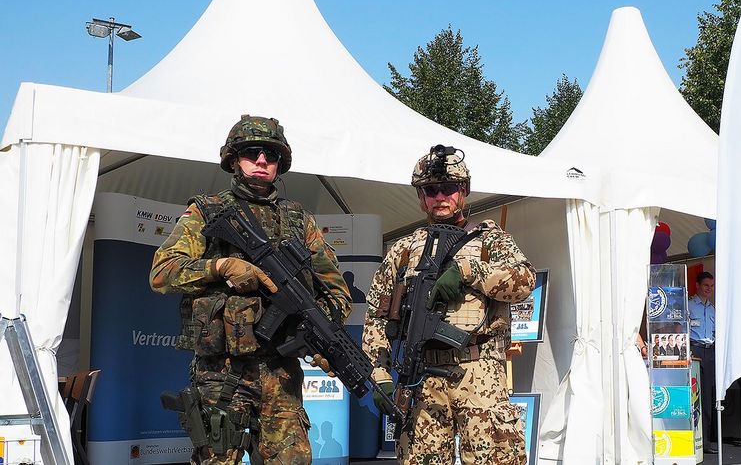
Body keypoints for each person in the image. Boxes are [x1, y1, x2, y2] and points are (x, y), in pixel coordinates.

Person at [150, 115, 351, 464]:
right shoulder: (206, 212)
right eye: (252, 152)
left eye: (270, 156)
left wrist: (316, 334)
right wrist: (219, 266)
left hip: (280, 372)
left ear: (280, 164)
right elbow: (162, 273)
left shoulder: (299, 220)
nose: (261, 161)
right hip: (220, 371)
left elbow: (336, 292)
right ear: (233, 158)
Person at [362, 145, 534, 464]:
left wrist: (470, 271)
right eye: (431, 190)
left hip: (478, 370)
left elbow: (524, 280)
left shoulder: (488, 240)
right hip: (422, 377)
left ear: (464, 191)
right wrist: (380, 370)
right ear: (421, 196)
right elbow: (376, 315)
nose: (440, 196)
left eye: (449, 188)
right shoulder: (403, 250)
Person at [689, 271, 717, 454]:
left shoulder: (713, 308)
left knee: (708, 396)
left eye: (711, 286)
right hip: (695, 350)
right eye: (706, 285)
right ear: (698, 285)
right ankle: (693, 438)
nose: (709, 289)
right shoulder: (690, 305)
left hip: (710, 352)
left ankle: (705, 441)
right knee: (695, 396)